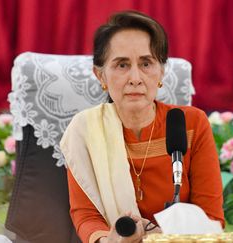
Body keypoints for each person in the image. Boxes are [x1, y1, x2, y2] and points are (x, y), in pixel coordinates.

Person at [60, 10, 224, 243]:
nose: (135, 78)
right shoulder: (85, 130)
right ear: (100, 76)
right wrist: (110, 241)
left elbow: (211, 217)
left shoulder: (191, 124)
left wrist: (159, 237)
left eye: (146, 63)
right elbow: (86, 216)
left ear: (161, 72)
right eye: (122, 65)